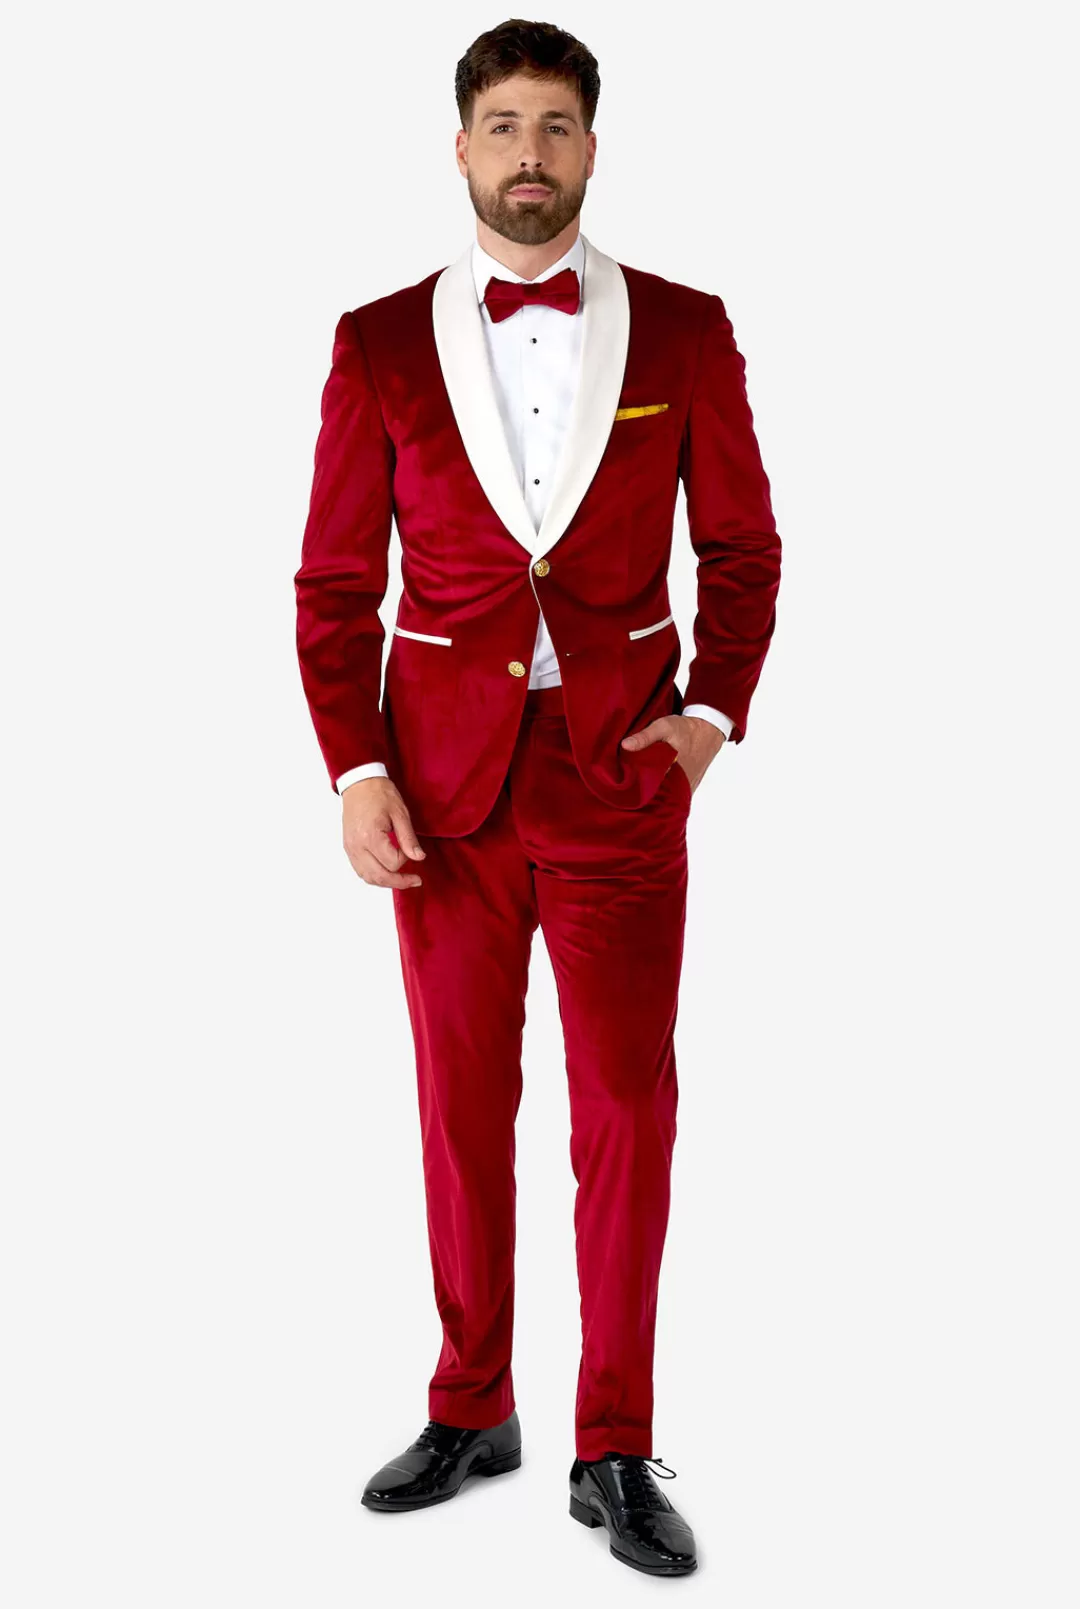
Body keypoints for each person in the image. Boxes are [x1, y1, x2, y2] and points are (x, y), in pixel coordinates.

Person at [294, 18, 781, 1578]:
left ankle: (614, 1440)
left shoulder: (686, 330)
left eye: (554, 126)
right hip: (439, 797)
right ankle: (472, 1403)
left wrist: (706, 723)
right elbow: (331, 586)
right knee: (458, 1108)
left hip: (620, 781)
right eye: (502, 126)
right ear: (460, 148)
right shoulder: (378, 341)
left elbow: (743, 552)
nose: (528, 154)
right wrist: (358, 769)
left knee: (627, 1110)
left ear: (591, 148)